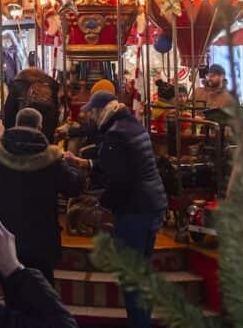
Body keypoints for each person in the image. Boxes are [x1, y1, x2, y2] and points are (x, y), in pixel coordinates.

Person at [79, 91, 166, 328]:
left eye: (93, 111)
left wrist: (100, 205)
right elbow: (125, 164)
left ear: (101, 110)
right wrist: (87, 163)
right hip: (152, 205)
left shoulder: (116, 134)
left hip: (134, 211)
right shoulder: (132, 125)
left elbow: (119, 180)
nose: (91, 116)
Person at [0, 107, 83, 284]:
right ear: (39, 127)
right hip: (40, 238)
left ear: (15, 124)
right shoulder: (51, 158)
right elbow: (74, 187)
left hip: (2, 237)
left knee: (10, 291)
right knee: (43, 290)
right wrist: (73, 165)